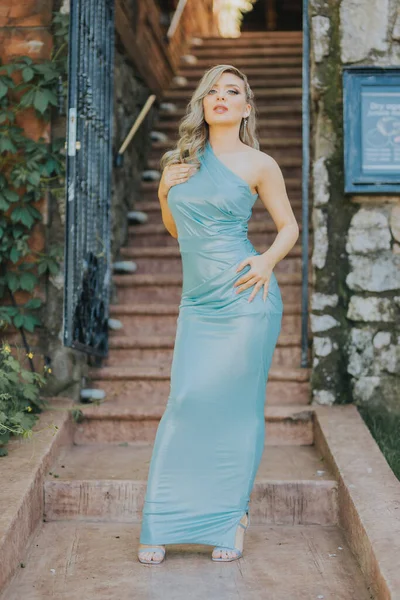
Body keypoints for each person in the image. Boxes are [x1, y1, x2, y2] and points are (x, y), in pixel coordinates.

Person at [137, 64, 299, 564]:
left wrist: (267, 259)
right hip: (198, 303)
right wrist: (165, 190)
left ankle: (231, 518)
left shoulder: (260, 164)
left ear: (246, 108)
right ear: (203, 105)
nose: (222, 98)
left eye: (233, 92)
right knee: (185, 401)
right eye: (214, 91)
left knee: (236, 410)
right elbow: (176, 231)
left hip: (247, 299)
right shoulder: (180, 160)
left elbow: (289, 227)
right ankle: (163, 519)